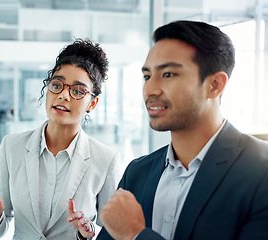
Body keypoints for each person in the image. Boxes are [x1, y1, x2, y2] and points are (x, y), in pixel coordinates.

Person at [96, 20, 268, 240]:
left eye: (168, 74)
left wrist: (135, 234)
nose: (150, 89)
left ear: (214, 85)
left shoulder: (261, 171)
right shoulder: (137, 173)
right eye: (147, 76)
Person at [0, 39, 121, 239]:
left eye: (78, 91)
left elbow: (111, 232)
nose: (63, 95)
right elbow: (0, 228)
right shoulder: (12, 146)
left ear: (93, 103)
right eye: (57, 85)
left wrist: (86, 233)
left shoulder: (106, 159)